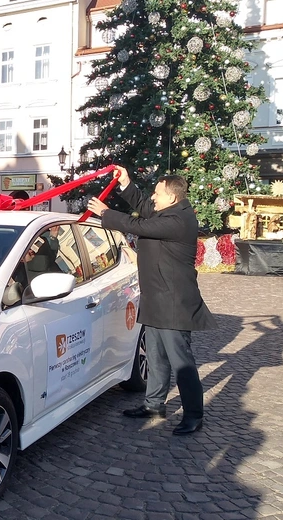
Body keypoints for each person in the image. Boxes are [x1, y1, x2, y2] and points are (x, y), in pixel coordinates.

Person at [87, 166, 217, 436]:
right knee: (155, 357)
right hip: (157, 298)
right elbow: (145, 209)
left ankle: (194, 414)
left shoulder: (179, 220)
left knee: (181, 362)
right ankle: (154, 404)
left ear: (172, 198)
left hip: (173, 302)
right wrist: (126, 184)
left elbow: (139, 225)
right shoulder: (170, 211)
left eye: (157, 194)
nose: (153, 198)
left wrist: (105, 213)